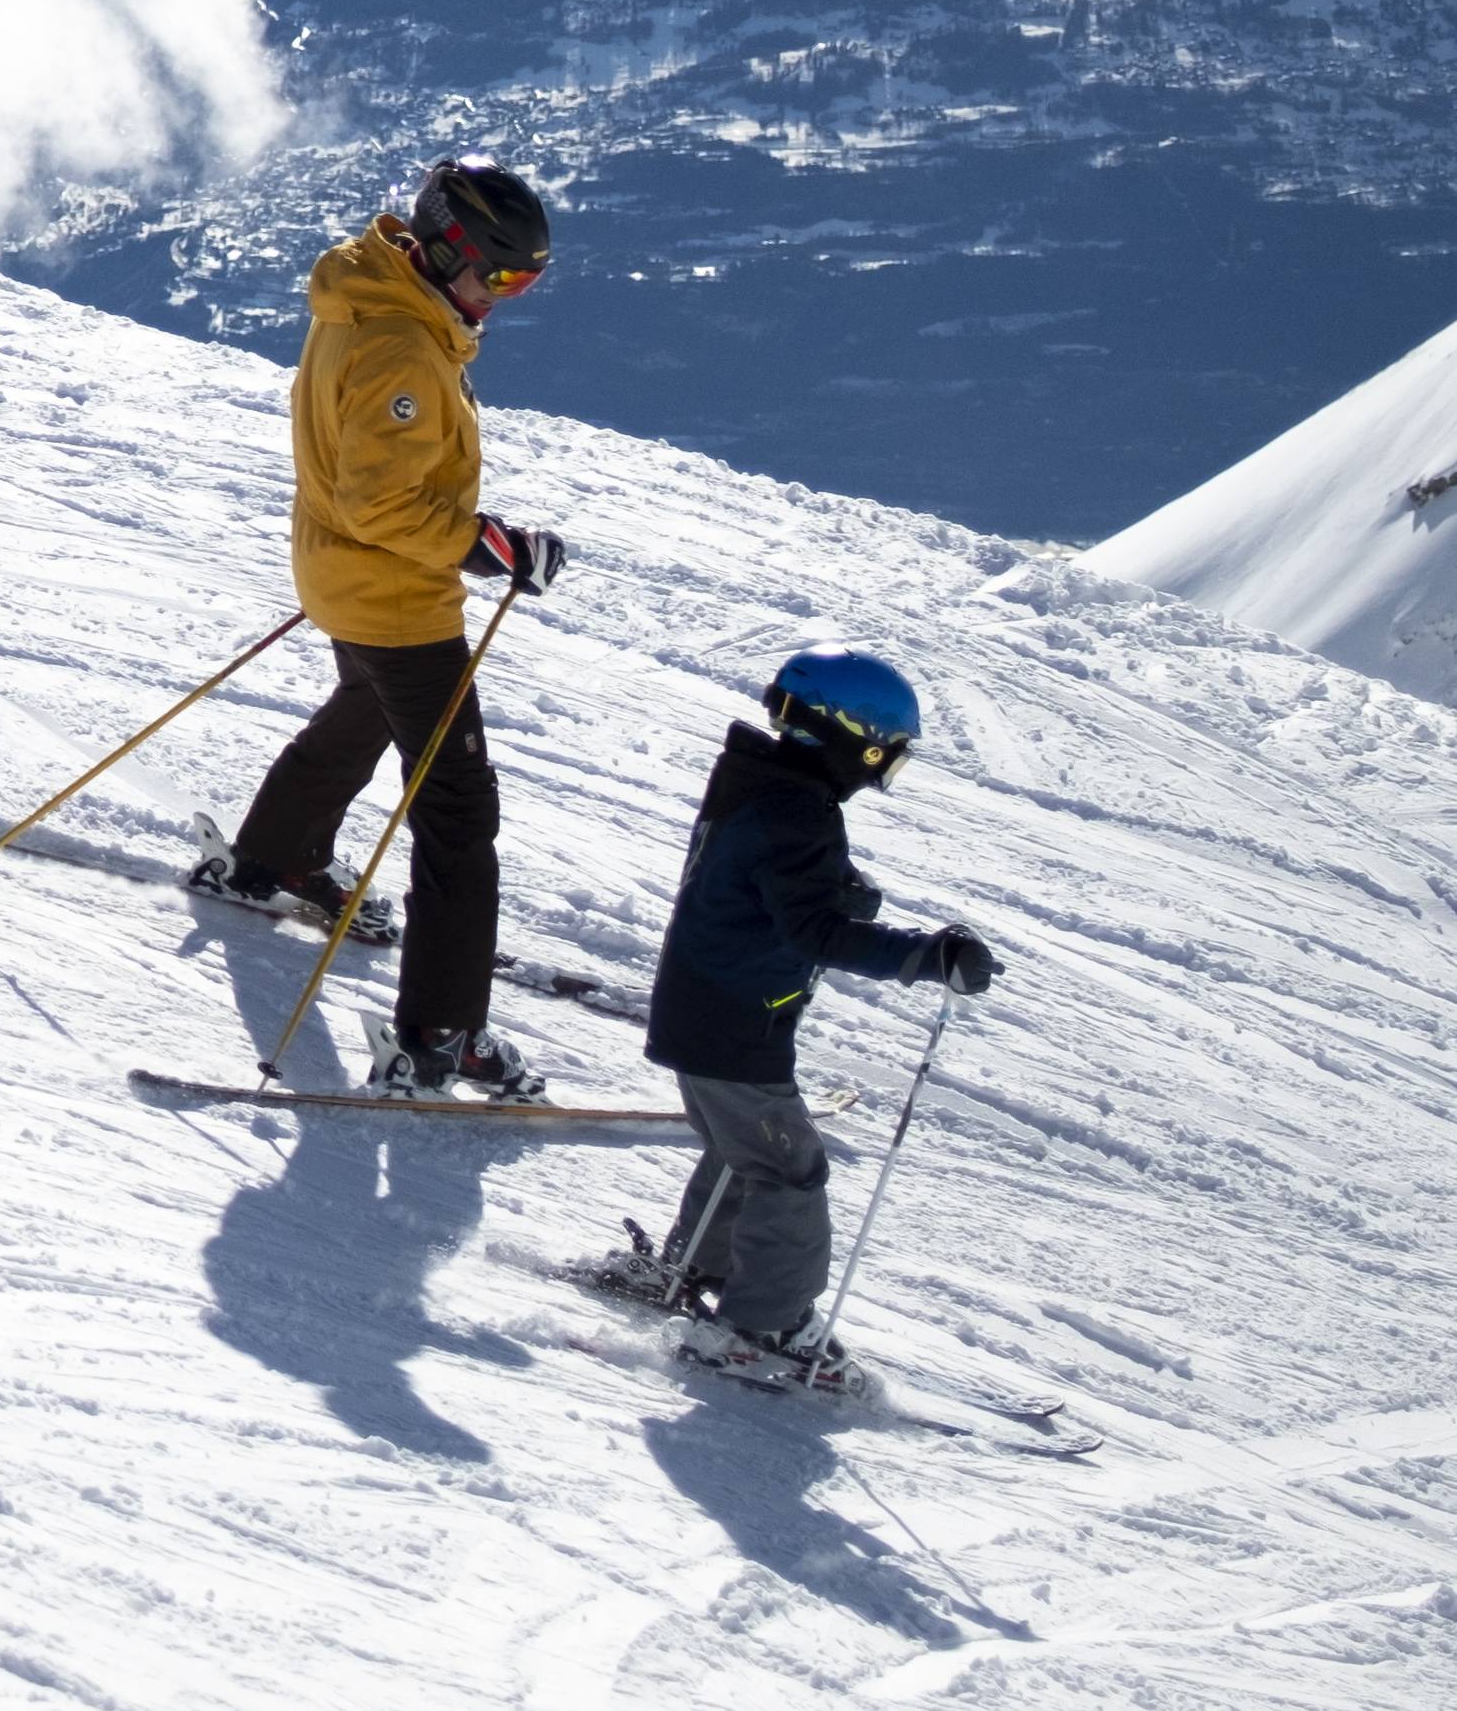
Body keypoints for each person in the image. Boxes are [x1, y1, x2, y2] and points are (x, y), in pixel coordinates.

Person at [192, 159, 572, 1099]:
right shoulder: (402, 343)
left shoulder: (365, 292)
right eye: (501, 274)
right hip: (396, 598)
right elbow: (381, 500)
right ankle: (441, 1033)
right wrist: (485, 545)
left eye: (527, 279)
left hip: (341, 580)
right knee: (456, 812)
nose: (507, 297)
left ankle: (271, 859)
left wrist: (471, 538)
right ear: (446, 250)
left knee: (362, 706)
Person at [607, 651, 1003, 1388]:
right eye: (891, 753)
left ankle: (694, 1273)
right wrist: (929, 958)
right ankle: (763, 1326)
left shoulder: (761, 784)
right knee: (791, 1171)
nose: (889, 768)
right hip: (733, 1027)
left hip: (704, 1011)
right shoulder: (797, 812)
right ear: (860, 739)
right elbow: (814, 933)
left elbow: (762, 881)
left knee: (741, 1152)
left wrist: (834, 888)